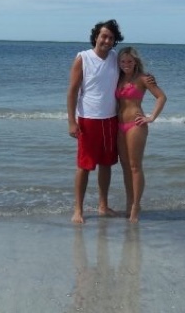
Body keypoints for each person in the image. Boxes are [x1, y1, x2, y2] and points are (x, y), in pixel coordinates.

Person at [67, 19, 124, 224]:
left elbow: (132, 69)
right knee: (84, 166)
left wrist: (147, 80)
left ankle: (103, 206)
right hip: (88, 119)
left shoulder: (116, 57)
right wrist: (71, 121)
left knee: (106, 164)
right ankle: (78, 210)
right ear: (96, 37)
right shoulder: (83, 58)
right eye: (103, 36)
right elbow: (72, 91)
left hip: (110, 119)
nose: (107, 41)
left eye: (111, 38)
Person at [116, 46, 166, 223]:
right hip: (119, 125)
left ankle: (136, 206)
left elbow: (161, 97)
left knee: (135, 166)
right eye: (122, 61)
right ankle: (129, 203)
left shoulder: (144, 78)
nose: (126, 64)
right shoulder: (118, 77)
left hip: (136, 125)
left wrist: (151, 117)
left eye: (129, 61)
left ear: (135, 61)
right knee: (125, 167)